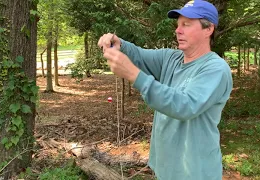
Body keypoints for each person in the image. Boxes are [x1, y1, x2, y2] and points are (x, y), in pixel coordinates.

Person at [98, 0, 233, 179]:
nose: (178, 30)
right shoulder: (170, 58)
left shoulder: (215, 69)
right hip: (165, 169)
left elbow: (185, 105)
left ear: (208, 29)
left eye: (186, 24)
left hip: (195, 172)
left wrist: (134, 75)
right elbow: (138, 55)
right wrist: (118, 43)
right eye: (178, 24)